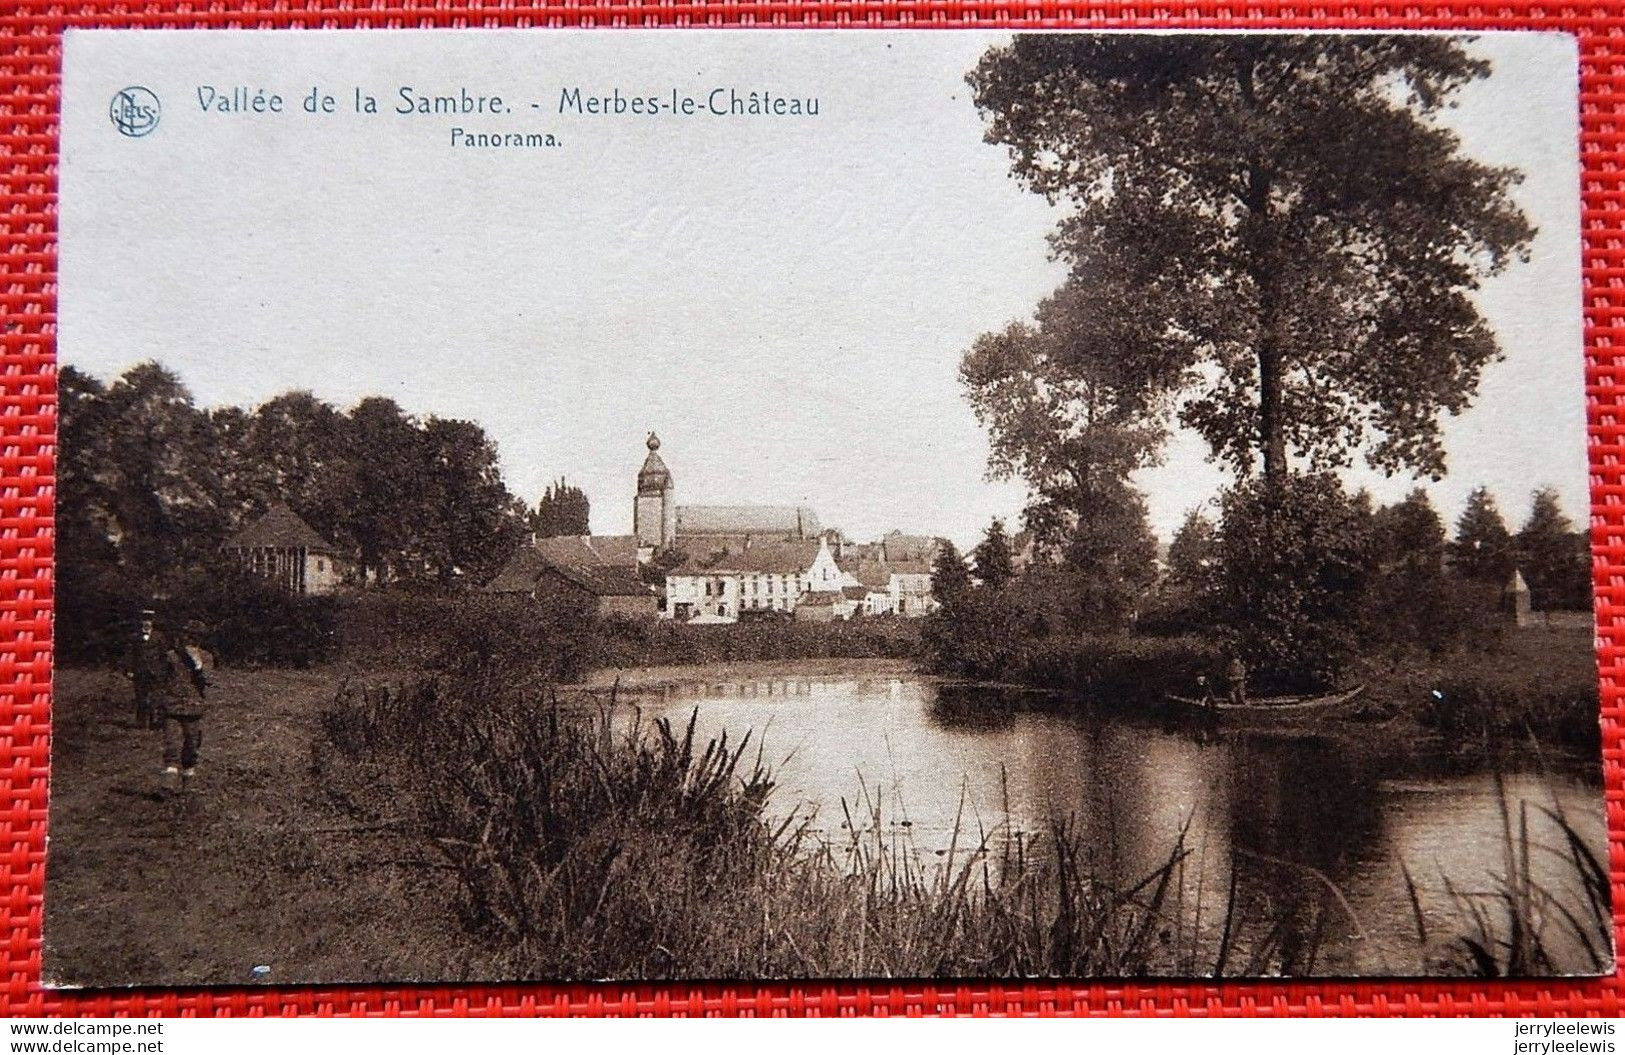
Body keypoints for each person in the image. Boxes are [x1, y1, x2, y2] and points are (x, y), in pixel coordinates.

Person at [129, 607, 208, 787]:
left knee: (191, 746)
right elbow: (160, 678)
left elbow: (210, 681)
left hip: (193, 708)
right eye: (188, 635)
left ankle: (189, 782)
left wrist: (198, 667)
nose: (190, 639)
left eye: (194, 637)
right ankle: (168, 783)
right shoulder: (171, 656)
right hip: (172, 706)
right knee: (171, 745)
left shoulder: (206, 658)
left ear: (200, 639)